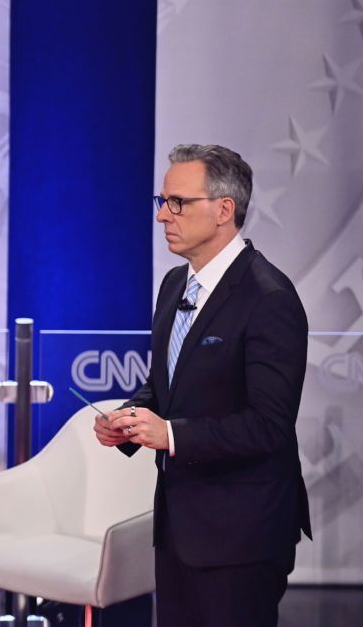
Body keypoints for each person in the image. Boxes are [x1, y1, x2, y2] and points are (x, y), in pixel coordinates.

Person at [94, 143, 310, 626]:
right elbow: (166, 382)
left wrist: (169, 434)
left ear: (223, 210)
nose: (163, 216)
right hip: (178, 528)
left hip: (242, 535)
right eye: (162, 202)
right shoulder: (174, 283)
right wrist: (129, 419)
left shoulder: (268, 298)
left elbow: (268, 426)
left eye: (178, 203)